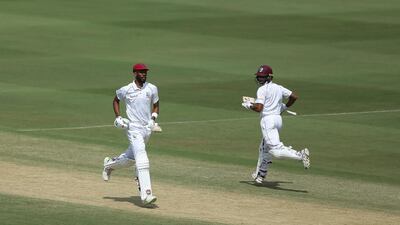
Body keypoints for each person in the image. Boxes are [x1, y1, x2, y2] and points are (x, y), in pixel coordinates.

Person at [242, 65, 310, 184]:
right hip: (278, 119)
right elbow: (294, 96)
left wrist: (249, 105)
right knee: (264, 148)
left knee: (276, 150)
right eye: (259, 77)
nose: (260, 79)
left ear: (269, 77)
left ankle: (300, 155)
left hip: (268, 120)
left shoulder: (262, 90)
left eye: (262, 77)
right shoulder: (278, 87)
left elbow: (259, 108)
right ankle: (261, 174)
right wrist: (285, 106)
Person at [102, 63, 159, 205]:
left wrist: (153, 119)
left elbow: (156, 104)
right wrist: (118, 117)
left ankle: (109, 165)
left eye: (145, 72)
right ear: (134, 73)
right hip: (133, 128)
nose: (144, 74)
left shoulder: (152, 88)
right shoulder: (126, 89)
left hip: (147, 129)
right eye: (141, 72)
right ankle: (146, 194)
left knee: (131, 158)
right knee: (142, 157)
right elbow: (116, 100)